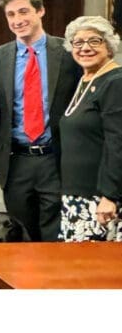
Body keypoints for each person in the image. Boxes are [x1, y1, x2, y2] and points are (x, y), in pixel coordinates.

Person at [0, 0, 80, 242]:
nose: (17, 20)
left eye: (23, 11)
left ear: (41, 11)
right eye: (11, 14)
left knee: (56, 233)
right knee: (20, 234)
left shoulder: (69, 54)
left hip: (56, 159)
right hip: (17, 161)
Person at [58, 16, 122, 242]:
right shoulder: (86, 80)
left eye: (94, 41)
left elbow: (118, 143)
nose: (85, 48)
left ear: (109, 45)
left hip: (100, 201)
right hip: (77, 196)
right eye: (78, 42)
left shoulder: (115, 81)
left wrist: (110, 196)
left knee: (92, 273)